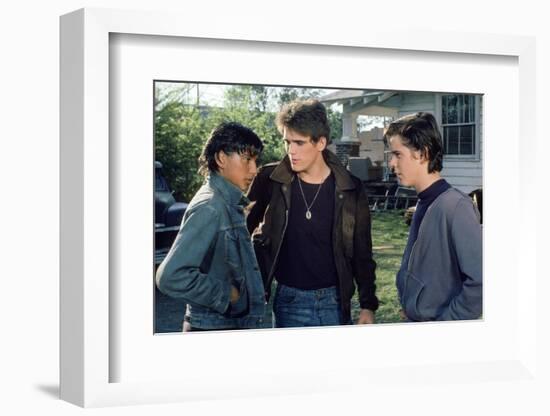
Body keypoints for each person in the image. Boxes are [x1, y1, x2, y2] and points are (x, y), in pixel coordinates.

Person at [247, 99, 378, 328]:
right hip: (289, 300)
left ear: (321, 142)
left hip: (335, 303)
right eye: (287, 142)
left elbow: (362, 251)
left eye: (299, 142)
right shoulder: (270, 180)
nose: (291, 151)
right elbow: (241, 233)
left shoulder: (350, 188)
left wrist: (367, 305)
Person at [156, 122, 266, 331]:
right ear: (221, 158)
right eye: (247, 159)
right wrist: (228, 295)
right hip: (214, 328)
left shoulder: (226, 201)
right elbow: (170, 276)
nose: (254, 169)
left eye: (255, 160)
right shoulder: (211, 206)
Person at [384, 112, 482, 321]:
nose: (391, 163)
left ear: (422, 153)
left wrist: (443, 327)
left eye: (397, 154)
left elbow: (480, 282)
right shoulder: (424, 201)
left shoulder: (455, 207)